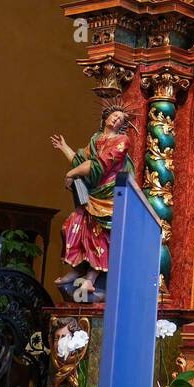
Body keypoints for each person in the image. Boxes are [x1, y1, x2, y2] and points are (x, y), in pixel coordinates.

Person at [51, 106, 135, 301]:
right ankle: (76, 268)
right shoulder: (96, 139)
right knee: (72, 226)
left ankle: (91, 278)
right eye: (115, 116)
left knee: (98, 235)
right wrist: (65, 148)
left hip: (110, 196)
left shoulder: (122, 141)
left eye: (121, 119)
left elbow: (98, 166)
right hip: (93, 195)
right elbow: (81, 162)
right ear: (106, 117)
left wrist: (71, 174)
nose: (117, 120)